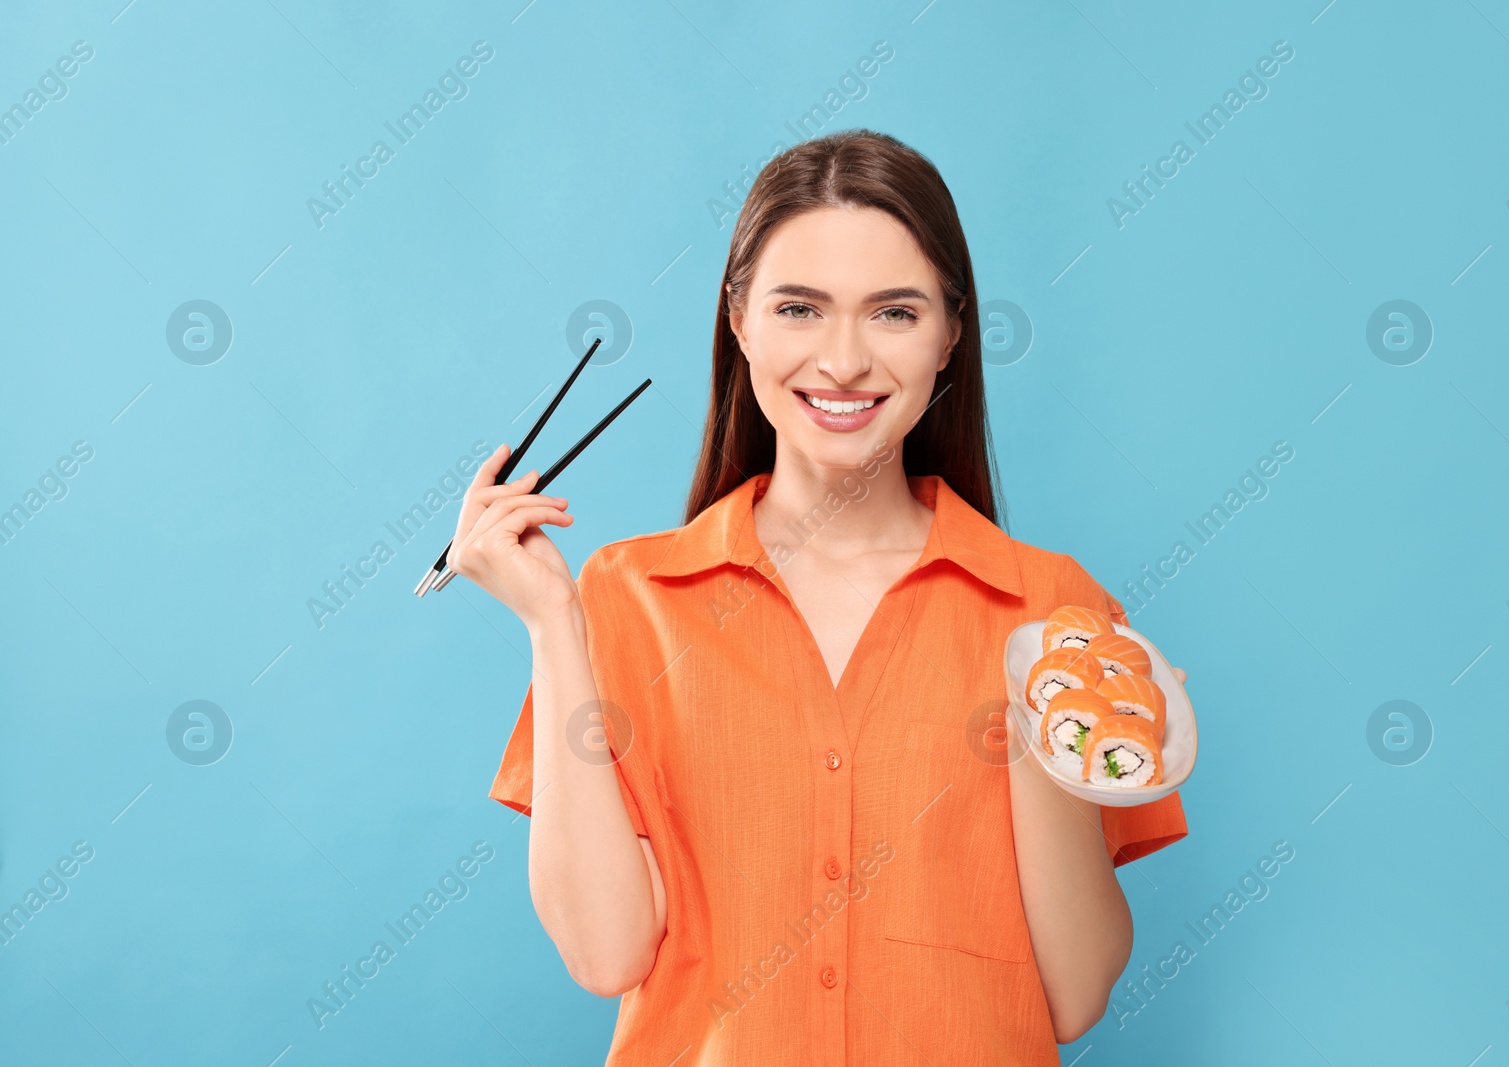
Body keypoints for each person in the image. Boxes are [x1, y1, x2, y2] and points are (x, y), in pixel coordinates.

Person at [450, 128, 1188, 1065]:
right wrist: (552, 626)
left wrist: (1047, 714)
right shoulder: (629, 596)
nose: (843, 361)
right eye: (800, 308)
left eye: (894, 313)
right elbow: (606, 954)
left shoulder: (1054, 611)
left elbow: (1075, 995)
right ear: (740, 318)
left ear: (953, 333)